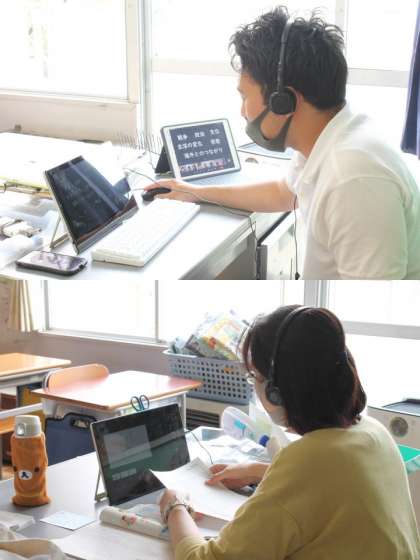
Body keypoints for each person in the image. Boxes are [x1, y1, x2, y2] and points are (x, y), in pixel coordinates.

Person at [144, 7, 420, 280]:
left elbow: (370, 302)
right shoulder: (329, 136)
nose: (242, 112)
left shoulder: (353, 178)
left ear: (283, 101)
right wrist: (197, 192)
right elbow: (283, 193)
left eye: (244, 97)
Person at [159, 305, 420, 559]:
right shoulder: (373, 432)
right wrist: (257, 470)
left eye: (255, 377)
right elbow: (334, 483)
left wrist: (175, 506)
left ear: (276, 390)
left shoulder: (309, 460)